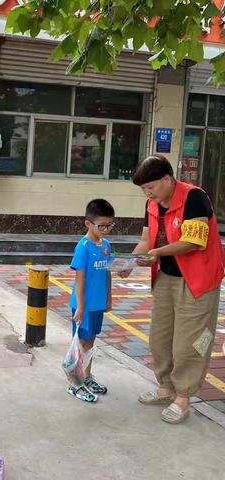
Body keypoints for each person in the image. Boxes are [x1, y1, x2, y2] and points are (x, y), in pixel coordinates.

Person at [125, 154, 224, 424]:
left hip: (198, 278)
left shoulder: (194, 197)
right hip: (167, 277)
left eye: (151, 187)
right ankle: (165, 387)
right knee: (161, 337)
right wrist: (130, 262)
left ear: (167, 179)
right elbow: (146, 239)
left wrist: (157, 252)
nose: (147, 193)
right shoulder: (152, 203)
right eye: (144, 190)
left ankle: (183, 397)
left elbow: (194, 241)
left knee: (188, 342)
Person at [68, 199, 114, 403]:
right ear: (88, 224)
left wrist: (108, 298)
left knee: (91, 341)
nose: (106, 230)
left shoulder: (106, 245)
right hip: (83, 306)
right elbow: (80, 279)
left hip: (97, 304)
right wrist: (80, 306)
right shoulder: (83, 247)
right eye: (101, 226)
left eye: (110, 225)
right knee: (80, 343)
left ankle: (87, 377)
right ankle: (74, 384)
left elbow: (108, 273)